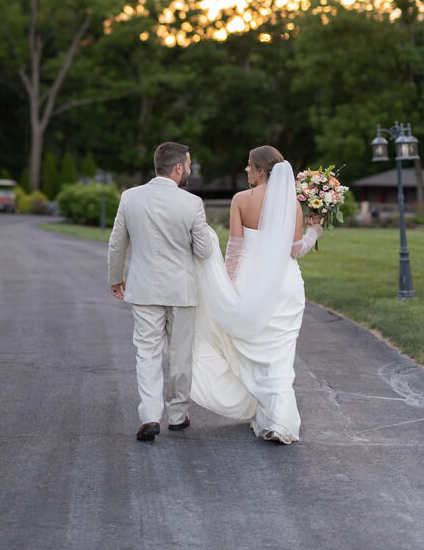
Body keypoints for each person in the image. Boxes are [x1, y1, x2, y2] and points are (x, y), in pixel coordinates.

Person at [190, 145, 322, 444]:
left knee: (253, 352)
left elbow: (235, 249)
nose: (246, 170)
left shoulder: (240, 200)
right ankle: (277, 421)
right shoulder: (292, 203)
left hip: (249, 283)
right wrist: (315, 232)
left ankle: (273, 418)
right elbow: (295, 249)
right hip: (285, 287)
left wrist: (226, 283)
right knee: (280, 355)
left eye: (250, 165)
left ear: (262, 170)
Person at [108, 142, 213, 441]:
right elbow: (204, 250)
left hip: (143, 289)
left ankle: (151, 415)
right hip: (181, 289)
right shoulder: (192, 203)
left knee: (147, 353)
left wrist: (115, 278)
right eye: (189, 165)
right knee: (180, 355)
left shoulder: (130, 197)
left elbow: (117, 243)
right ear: (178, 168)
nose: (190, 170)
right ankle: (178, 416)